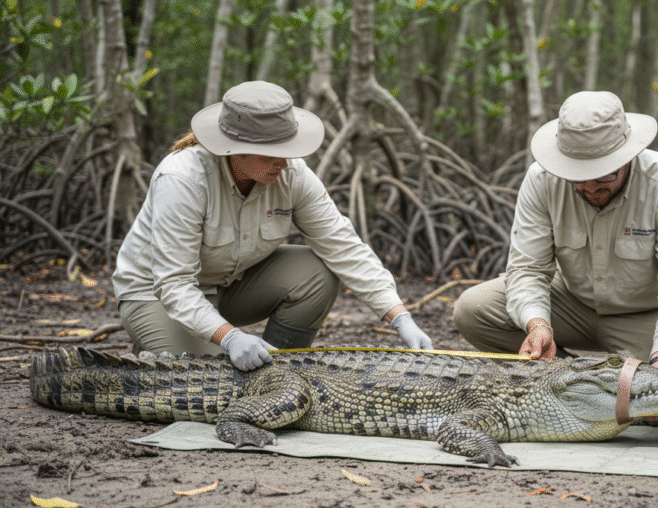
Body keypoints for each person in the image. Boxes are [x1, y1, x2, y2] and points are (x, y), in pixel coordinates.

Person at [112, 81, 432, 371]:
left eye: (287, 149)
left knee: (316, 271)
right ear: (233, 148)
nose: (283, 161)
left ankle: (280, 372)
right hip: (155, 295)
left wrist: (399, 316)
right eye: (271, 153)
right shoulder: (182, 178)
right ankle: (159, 340)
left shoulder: (291, 173)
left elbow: (342, 244)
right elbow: (174, 285)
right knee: (209, 381)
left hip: (228, 285)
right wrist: (232, 338)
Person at [454, 91, 658, 424]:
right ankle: (563, 377)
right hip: (569, 303)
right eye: (577, 175)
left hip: (642, 314)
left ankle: (620, 376)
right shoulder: (542, 179)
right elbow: (528, 269)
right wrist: (537, 324)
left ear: (628, 156)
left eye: (604, 175)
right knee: (472, 309)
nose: (590, 186)